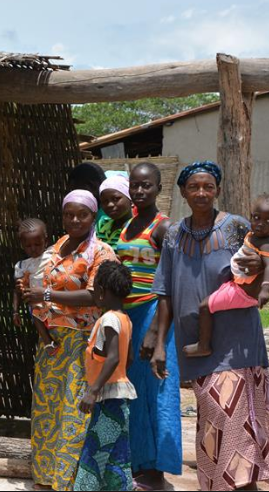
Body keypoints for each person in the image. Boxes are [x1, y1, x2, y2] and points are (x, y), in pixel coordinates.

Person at [150, 161, 269, 491]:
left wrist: (263, 267)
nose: (201, 193)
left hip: (237, 341)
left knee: (233, 421)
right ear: (182, 192)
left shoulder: (237, 226)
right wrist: (159, 342)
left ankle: (244, 486)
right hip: (194, 344)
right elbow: (164, 293)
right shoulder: (173, 234)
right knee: (212, 424)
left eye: (208, 187)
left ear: (218, 191)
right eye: (194, 187)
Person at [22, 189, 117, 491]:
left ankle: (67, 481)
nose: (75, 220)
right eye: (69, 214)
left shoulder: (100, 252)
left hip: (82, 341)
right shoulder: (56, 246)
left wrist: (47, 295)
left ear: (93, 216)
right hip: (52, 341)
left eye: (82, 215)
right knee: (46, 409)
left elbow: (95, 295)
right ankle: (44, 477)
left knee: (74, 412)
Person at [114, 163, 180, 490]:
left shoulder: (163, 227)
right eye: (135, 186)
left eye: (147, 185)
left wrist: (156, 330)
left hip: (154, 313)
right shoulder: (127, 225)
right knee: (135, 393)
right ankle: (140, 465)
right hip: (130, 316)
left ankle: (156, 472)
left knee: (157, 392)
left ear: (158, 189)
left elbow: (173, 282)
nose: (140, 191)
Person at [184, 194, 269, 357]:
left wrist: (265, 288)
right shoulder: (252, 233)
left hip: (241, 291)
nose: (260, 224)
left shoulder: (264, 243)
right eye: (256, 218)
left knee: (205, 306)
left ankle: (203, 345)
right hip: (237, 285)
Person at [74, 261, 137, 492]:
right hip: (119, 397)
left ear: (101, 290)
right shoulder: (125, 319)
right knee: (116, 455)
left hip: (108, 397)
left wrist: (93, 391)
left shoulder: (109, 319)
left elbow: (113, 358)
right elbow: (128, 357)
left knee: (94, 452)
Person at [12, 218, 55, 348]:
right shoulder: (22, 266)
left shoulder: (53, 254)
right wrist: (15, 311)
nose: (33, 249)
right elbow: (17, 290)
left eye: (37, 244)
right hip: (36, 301)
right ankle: (48, 342)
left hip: (54, 298)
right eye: (28, 246)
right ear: (22, 245)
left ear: (45, 241)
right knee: (35, 312)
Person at [96, 175, 134, 250]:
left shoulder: (137, 228)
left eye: (116, 199)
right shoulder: (102, 223)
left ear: (131, 199)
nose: (110, 205)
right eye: (105, 201)